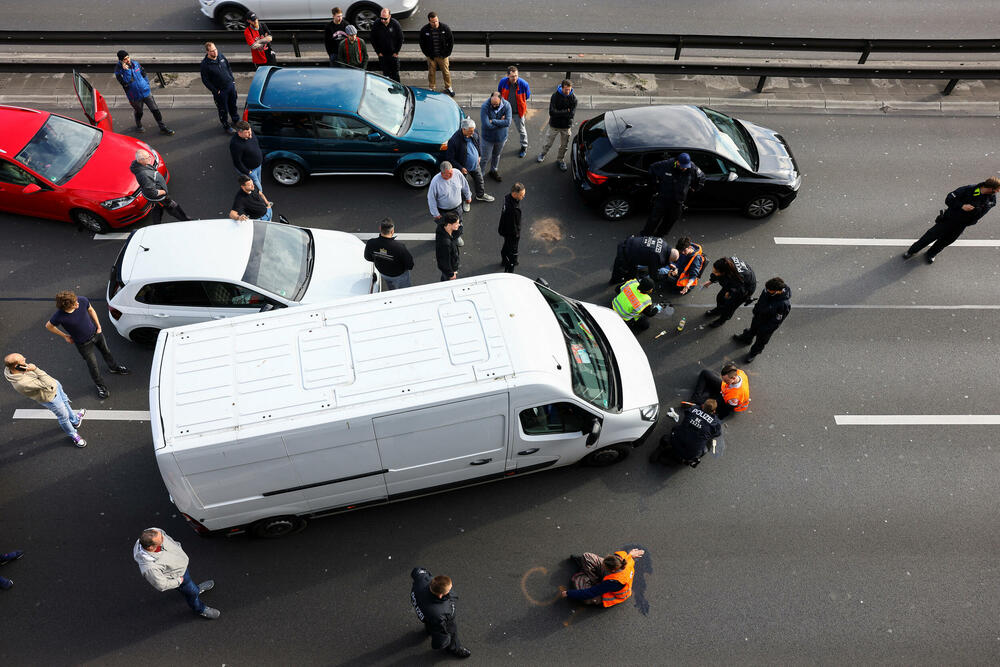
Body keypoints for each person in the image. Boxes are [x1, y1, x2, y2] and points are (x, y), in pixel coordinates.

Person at [45, 291, 129, 400]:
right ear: (66, 306)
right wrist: (64, 336)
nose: (78, 303)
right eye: (75, 303)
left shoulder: (82, 300)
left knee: (106, 352)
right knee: (93, 365)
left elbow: (91, 310)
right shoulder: (59, 316)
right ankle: (100, 386)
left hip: (96, 334)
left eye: (76, 301)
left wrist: (98, 326)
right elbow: (48, 326)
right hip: (83, 344)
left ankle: (114, 368)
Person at [904, 177, 1000, 263]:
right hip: (949, 219)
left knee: (946, 241)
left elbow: (982, 213)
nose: (998, 191)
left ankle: (931, 254)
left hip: (961, 225)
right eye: (997, 189)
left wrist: (971, 221)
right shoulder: (969, 189)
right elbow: (949, 199)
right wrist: (962, 206)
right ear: (991, 188)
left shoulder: (991, 200)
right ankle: (912, 251)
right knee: (930, 236)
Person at [133, 528, 219, 620]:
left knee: (191, 586)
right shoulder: (150, 567)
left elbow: (168, 539)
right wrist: (179, 581)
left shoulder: (154, 532)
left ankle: (196, 589)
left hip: (180, 567)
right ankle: (200, 609)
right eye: (161, 539)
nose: (163, 538)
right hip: (178, 577)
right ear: (150, 547)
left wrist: (178, 547)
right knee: (191, 593)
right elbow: (161, 585)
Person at [4, 353, 87, 448]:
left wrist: (56, 384)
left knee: (65, 402)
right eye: (22, 359)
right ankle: (73, 434)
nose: (25, 359)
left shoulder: (12, 369)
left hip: (55, 387)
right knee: (63, 417)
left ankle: (75, 421)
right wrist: (35, 369)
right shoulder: (23, 383)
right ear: (16, 365)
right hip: (51, 398)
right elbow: (48, 383)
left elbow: (51, 383)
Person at [410, 567, 471, 658]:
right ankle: (454, 648)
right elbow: (442, 631)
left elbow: (417, 570)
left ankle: (428, 630)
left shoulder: (422, 580)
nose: (450, 590)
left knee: (430, 624)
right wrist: (442, 642)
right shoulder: (441, 612)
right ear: (440, 595)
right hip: (438, 620)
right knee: (450, 632)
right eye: (449, 590)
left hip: (425, 613)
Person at [640, 153, 705, 238]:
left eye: (686, 166)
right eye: (682, 166)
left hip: (678, 200)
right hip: (663, 198)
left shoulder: (692, 168)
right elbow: (652, 168)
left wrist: (695, 187)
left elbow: (702, 177)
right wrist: (655, 184)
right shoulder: (666, 165)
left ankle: (660, 235)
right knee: (654, 217)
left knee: (671, 219)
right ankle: (646, 234)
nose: (684, 168)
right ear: (677, 162)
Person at [114, 50, 174, 135]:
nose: (128, 60)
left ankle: (162, 127)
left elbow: (143, 73)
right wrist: (126, 70)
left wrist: (146, 84)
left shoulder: (135, 63)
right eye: (125, 59)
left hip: (145, 91)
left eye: (128, 57)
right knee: (139, 112)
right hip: (134, 96)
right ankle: (139, 125)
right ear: (120, 60)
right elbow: (126, 82)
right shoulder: (119, 71)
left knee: (155, 110)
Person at [732, 277, 791, 363]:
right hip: (758, 317)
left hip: (767, 326)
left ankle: (753, 353)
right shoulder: (767, 291)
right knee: (752, 330)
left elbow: (777, 321)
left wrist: (766, 329)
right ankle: (747, 339)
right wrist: (756, 310)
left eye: (769, 290)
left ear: (778, 291)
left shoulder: (784, 304)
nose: (766, 290)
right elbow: (761, 300)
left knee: (761, 341)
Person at [561, 548, 645, 607]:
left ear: (612, 570)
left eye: (604, 566)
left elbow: (590, 592)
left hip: (610, 595)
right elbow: (629, 557)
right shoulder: (624, 560)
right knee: (587, 556)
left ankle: (591, 580)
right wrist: (631, 554)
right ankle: (593, 579)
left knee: (579, 582)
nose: (602, 565)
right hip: (610, 578)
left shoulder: (614, 582)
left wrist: (569, 593)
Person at [649, 399, 721, 467]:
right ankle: (680, 460)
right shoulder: (716, 423)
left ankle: (662, 448)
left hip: (675, 441)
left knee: (676, 429)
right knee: (706, 448)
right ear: (714, 411)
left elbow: (686, 413)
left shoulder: (694, 409)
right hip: (689, 452)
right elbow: (717, 433)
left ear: (703, 405)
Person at [131, 149, 190, 224]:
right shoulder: (145, 175)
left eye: (149, 156)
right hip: (159, 197)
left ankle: (156, 225)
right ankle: (186, 221)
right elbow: (152, 192)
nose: (150, 158)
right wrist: (163, 191)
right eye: (147, 158)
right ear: (140, 160)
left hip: (155, 199)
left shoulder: (140, 166)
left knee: (157, 207)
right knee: (172, 206)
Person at [446, 119, 494, 203]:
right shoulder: (454, 141)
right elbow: (450, 158)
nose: (472, 133)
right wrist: (460, 168)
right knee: (464, 186)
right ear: (463, 129)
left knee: (480, 181)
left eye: (473, 130)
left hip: (475, 165)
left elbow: (478, 143)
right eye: (470, 131)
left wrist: (479, 155)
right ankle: (465, 200)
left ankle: (480, 195)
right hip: (463, 168)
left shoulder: (474, 131)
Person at [703, 255, 756, 328]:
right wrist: (711, 281)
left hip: (745, 289)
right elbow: (718, 275)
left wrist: (729, 293)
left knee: (730, 306)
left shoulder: (738, 277)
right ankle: (719, 310)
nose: (713, 272)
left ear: (724, 272)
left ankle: (722, 320)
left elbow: (738, 289)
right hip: (735, 284)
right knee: (720, 297)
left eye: (716, 272)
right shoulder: (725, 264)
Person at [536, 79, 577, 172]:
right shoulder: (555, 96)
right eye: (566, 89)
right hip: (554, 125)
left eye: (569, 89)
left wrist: (559, 113)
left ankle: (560, 160)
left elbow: (571, 114)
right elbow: (551, 112)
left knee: (564, 146)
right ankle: (543, 154)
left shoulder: (574, 99)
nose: (568, 92)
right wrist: (566, 111)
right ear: (561, 88)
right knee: (548, 143)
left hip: (566, 126)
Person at [428, 161, 471, 247]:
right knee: (443, 225)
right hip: (443, 210)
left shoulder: (457, 173)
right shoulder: (435, 181)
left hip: (457, 208)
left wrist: (468, 196)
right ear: (441, 173)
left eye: (451, 173)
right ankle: (442, 238)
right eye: (447, 174)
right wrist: (435, 213)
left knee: (458, 224)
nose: (450, 176)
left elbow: (465, 185)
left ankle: (457, 237)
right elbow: (431, 198)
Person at [364, 218, 414, 289]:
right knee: (404, 290)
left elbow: (368, 257)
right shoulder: (400, 247)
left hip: (384, 273)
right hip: (399, 275)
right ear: (392, 231)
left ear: (380, 228)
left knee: (391, 288)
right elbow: (410, 265)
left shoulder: (371, 243)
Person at [200, 42, 239, 133]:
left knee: (233, 105)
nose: (215, 52)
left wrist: (232, 80)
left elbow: (228, 67)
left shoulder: (221, 56)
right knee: (223, 109)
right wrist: (215, 91)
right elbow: (205, 80)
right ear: (207, 52)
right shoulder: (205, 64)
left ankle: (236, 120)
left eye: (215, 49)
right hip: (220, 91)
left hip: (230, 86)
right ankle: (226, 126)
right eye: (212, 51)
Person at [609, 235, 674, 286]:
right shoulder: (657, 258)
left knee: (632, 272)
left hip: (630, 243)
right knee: (621, 269)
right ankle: (615, 280)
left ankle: (626, 278)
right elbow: (654, 276)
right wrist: (667, 276)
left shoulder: (663, 242)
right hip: (626, 253)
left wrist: (668, 263)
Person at [497, 66, 531, 158]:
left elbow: (527, 96)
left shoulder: (524, 84)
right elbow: (499, 93)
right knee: (503, 128)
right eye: (512, 76)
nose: (514, 78)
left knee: (521, 130)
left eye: (516, 76)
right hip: (505, 111)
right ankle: (501, 144)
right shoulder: (503, 82)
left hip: (518, 112)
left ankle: (524, 146)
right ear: (508, 75)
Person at [419, 12, 455, 96]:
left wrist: (447, 53)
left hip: (443, 56)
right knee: (431, 72)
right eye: (433, 22)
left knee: (446, 72)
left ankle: (448, 87)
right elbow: (422, 43)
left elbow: (451, 41)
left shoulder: (445, 28)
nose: (435, 23)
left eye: (436, 21)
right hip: (431, 56)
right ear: (429, 21)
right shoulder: (425, 30)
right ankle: (432, 88)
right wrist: (427, 54)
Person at [480, 92, 512, 182]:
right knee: (485, 158)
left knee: (496, 155)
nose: (494, 106)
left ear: (500, 100)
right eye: (492, 104)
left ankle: (493, 171)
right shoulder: (485, 107)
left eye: (496, 104)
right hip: (487, 138)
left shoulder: (507, 105)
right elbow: (487, 125)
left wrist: (493, 121)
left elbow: (508, 122)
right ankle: (480, 175)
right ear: (490, 99)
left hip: (501, 138)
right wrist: (501, 122)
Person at [229, 121, 264, 194]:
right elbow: (237, 162)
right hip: (250, 171)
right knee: (258, 189)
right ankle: (261, 202)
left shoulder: (250, 133)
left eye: (250, 131)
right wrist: (248, 172)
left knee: (258, 183)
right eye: (247, 133)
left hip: (258, 166)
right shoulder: (235, 144)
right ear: (239, 133)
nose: (250, 134)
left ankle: (255, 197)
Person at [498, 182, 525, 272]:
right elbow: (514, 225)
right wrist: (517, 234)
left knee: (506, 245)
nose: (523, 197)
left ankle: (504, 260)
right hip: (512, 233)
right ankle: (510, 269)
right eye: (521, 195)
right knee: (512, 252)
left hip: (504, 228)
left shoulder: (507, 198)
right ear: (514, 194)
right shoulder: (514, 209)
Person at [370, 8, 403, 81]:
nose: (382, 20)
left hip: (393, 54)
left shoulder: (395, 24)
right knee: (386, 75)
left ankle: (397, 90)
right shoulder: (377, 24)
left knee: (395, 74)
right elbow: (373, 39)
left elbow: (400, 38)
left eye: (385, 19)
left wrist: (396, 52)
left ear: (390, 16)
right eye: (381, 18)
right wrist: (378, 52)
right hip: (383, 55)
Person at [436, 211, 462, 281]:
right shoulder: (445, 244)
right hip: (450, 270)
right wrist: (451, 274)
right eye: (456, 223)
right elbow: (444, 261)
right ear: (449, 225)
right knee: (446, 282)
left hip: (450, 266)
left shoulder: (443, 229)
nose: (459, 225)